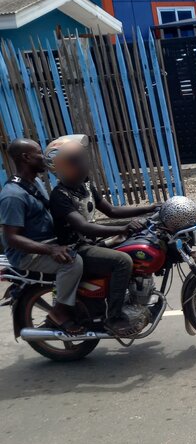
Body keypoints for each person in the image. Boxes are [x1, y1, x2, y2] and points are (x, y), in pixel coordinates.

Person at [45, 135, 156, 336]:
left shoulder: (85, 186)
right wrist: (122, 229)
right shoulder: (59, 196)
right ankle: (114, 317)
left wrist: (148, 208)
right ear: (60, 167)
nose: (83, 164)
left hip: (92, 243)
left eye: (82, 158)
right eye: (75, 161)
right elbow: (84, 227)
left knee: (133, 246)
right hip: (77, 249)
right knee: (122, 261)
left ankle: (131, 299)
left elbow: (111, 210)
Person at [0, 138, 86, 333]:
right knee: (73, 262)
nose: (46, 157)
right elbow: (12, 238)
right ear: (26, 157)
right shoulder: (12, 195)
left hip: (46, 242)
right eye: (40, 153)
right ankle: (60, 312)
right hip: (27, 254)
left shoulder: (35, 182)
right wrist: (51, 249)